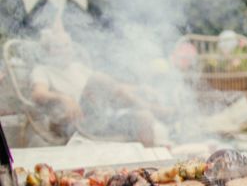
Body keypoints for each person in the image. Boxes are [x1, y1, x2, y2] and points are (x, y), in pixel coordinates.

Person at [30, 28, 167, 146]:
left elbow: (112, 87)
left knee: (144, 117)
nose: (64, 50)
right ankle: (151, 107)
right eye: (58, 47)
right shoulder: (42, 70)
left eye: (67, 45)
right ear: (48, 50)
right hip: (72, 122)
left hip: (97, 119)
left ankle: (152, 166)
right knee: (98, 78)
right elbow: (38, 94)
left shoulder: (78, 68)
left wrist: (140, 88)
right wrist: (64, 98)